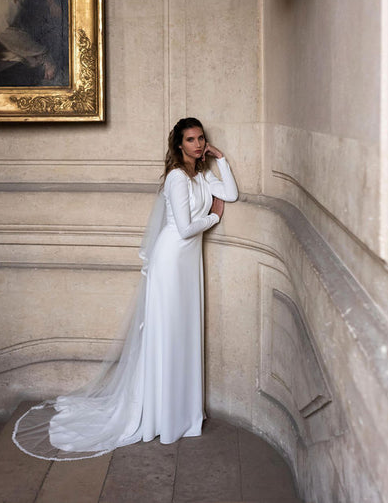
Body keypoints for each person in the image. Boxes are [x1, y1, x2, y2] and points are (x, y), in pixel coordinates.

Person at [12, 118, 239, 460]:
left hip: (187, 264)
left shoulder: (202, 175)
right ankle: (159, 412)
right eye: (190, 139)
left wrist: (219, 158)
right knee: (166, 332)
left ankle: (178, 410)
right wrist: (215, 218)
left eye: (201, 138)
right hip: (170, 261)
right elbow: (186, 227)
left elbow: (232, 194)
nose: (197, 144)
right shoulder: (177, 178)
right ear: (179, 145)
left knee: (183, 332)